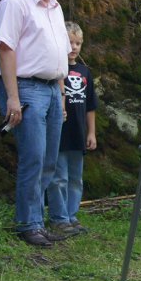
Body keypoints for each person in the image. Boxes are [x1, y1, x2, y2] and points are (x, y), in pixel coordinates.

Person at [0, 0, 72, 247]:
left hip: (52, 88)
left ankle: (37, 220)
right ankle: (28, 223)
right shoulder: (16, 3)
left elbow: (61, 54)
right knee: (34, 156)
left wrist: (62, 96)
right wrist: (12, 97)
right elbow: (5, 49)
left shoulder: (55, 7)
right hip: (26, 88)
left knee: (49, 159)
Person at [46, 21, 97, 236]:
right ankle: (59, 217)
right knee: (59, 177)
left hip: (78, 133)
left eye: (78, 43)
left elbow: (91, 105)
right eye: (69, 42)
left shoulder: (85, 71)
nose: (73, 47)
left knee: (76, 177)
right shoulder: (53, 70)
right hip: (59, 132)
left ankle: (71, 214)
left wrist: (91, 132)